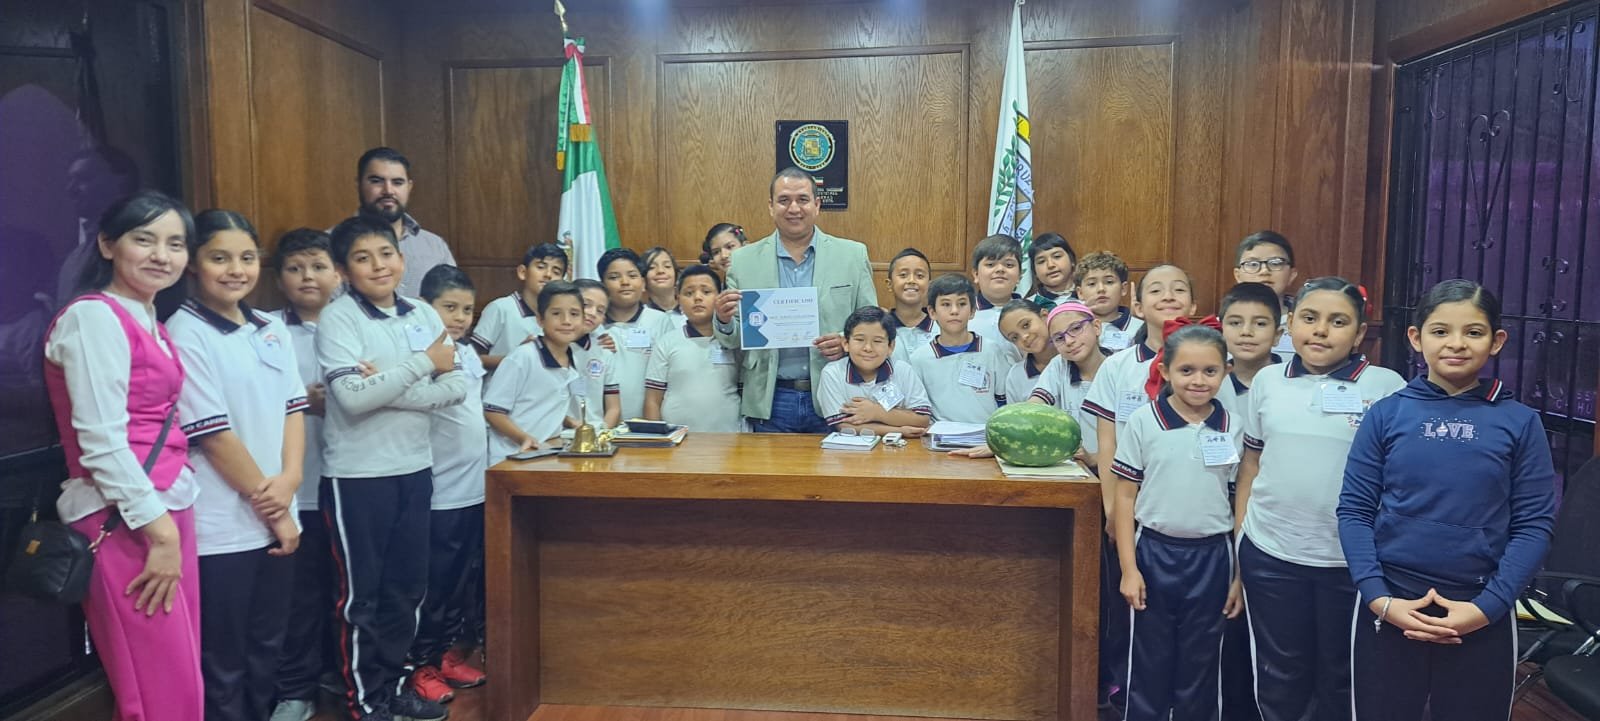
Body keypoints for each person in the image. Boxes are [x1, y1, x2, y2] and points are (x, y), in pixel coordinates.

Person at [1338, 280, 1556, 721]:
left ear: (1496, 342)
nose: (1456, 343)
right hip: (1392, 601)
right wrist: (1380, 598)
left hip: (1481, 606)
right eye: (1440, 331)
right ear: (1416, 338)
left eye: (1473, 332)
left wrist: (1487, 608)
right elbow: (1355, 510)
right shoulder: (1387, 414)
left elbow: (1534, 525)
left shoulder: (1520, 422)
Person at [43, 190, 203, 719]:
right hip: (125, 518)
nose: (162, 254)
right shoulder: (93, 318)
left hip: (164, 506)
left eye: (175, 244)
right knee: (155, 685)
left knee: (177, 675)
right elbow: (102, 442)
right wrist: (158, 532)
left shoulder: (148, 318)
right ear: (108, 245)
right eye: (145, 239)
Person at [1233, 277, 1405, 721]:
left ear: (1360, 333)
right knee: (1279, 674)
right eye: (1309, 318)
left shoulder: (1386, 387)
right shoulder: (1269, 380)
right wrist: (1240, 537)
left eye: (1338, 321)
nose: (1321, 331)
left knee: (1343, 675)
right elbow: (1252, 460)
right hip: (1270, 553)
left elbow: (1400, 478)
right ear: (1290, 324)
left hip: (1351, 564)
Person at [317, 215, 467, 721]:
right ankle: (365, 703)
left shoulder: (423, 312)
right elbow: (352, 401)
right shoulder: (339, 319)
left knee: (406, 591)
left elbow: (459, 386)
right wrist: (422, 365)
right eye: (362, 258)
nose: (378, 265)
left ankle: (393, 685)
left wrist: (387, 387)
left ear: (402, 259)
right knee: (362, 598)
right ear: (342, 269)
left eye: (386, 254)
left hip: (414, 469)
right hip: (357, 478)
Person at [167, 209, 307, 721]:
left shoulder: (271, 327)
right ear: (192, 265)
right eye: (219, 258)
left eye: (247, 258)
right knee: (222, 660)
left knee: (266, 647)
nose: (235, 270)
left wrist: (290, 480)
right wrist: (277, 512)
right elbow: (215, 437)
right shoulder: (182, 333)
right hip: (220, 526)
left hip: (276, 510)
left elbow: (294, 410)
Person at [1080, 263, 1196, 712]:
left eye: (1179, 288)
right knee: (1137, 622)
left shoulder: (1208, 362)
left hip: (1194, 519)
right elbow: (1106, 445)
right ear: (1137, 302)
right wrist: (1112, 511)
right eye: (1156, 290)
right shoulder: (1118, 367)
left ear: (1193, 303)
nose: (1168, 296)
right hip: (1135, 517)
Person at [1112, 322, 1242, 721]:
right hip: (1153, 552)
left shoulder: (1234, 427)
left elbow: (1240, 501)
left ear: (1226, 371)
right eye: (1186, 371)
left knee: (1202, 661)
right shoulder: (1144, 422)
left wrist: (1238, 576)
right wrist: (1128, 570)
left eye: (1210, 371)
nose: (1198, 381)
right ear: (1165, 371)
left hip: (1213, 557)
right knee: (1149, 658)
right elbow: (1124, 495)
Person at [713, 167, 878, 433]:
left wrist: (845, 342)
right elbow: (732, 340)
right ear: (770, 206)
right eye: (784, 200)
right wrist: (723, 319)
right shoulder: (743, 262)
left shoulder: (852, 255)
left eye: (802, 199)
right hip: (772, 399)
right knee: (770, 475)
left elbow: (872, 324)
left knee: (839, 474)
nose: (793, 208)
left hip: (837, 393)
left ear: (817, 205)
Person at [268, 228, 343, 721]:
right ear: (279, 278)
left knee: (344, 593)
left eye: (318, 266)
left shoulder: (353, 323)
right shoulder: (266, 329)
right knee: (297, 596)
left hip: (348, 485)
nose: (308, 277)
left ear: (338, 273)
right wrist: (300, 404)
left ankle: (341, 678)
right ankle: (294, 688)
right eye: (296, 268)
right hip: (293, 488)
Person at [409, 265, 490, 704]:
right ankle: (419, 664)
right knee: (432, 587)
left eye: (467, 310)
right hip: (439, 493)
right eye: (449, 308)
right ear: (424, 307)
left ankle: (443, 655)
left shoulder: (467, 354)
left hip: (472, 489)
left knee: (461, 582)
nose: (460, 318)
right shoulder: (421, 356)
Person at [1213, 281, 1283, 721]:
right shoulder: (1205, 379)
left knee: (1274, 633)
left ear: (1279, 333)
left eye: (1260, 324)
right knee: (1227, 626)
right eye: (1235, 322)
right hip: (1214, 518)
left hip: (1273, 521)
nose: (1247, 332)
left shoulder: (1289, 383)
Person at [484, 281, 589, 463]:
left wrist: (568, 421)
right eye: (556, 314)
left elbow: (537, 402)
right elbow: (492, 411)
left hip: (546, 452)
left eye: (574, 314)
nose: (566, 321)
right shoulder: (522, 357)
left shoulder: (573, 359)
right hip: (512, 456)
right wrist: (523, 438)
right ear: (540, 319)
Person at [643, 265, 742, 432]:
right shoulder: (667, 342)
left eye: (706, 292)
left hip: (729, 439)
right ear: (678, 298)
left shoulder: (735, 341)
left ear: (720, 296)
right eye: (689, 293)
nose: (697, 298)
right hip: (678, 440)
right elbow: (653, 400)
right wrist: (657, 441)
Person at [351, 147, 454, 298]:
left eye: (397, 182)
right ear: (358, 184)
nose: (388, 190)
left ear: (409, 187)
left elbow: (453, 302)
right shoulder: (331, 244)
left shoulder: (435, 247)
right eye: (376, 181)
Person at [816, 306, 933, 436]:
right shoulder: (832, 373)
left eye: (877, 341)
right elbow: (843, 425)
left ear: (891, 346)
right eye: (860, 340)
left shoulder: (903, 370)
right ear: (846, 343)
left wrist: (877, 412)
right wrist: (899, 430)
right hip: (851, 450)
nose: (868, 348)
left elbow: (922, 419)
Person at [908, 274, 1010, 424]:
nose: (954, 311)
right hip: (939, 438)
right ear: (932, 312)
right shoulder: (919, 358)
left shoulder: (991, 350)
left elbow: (1004, 401)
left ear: (973, 311)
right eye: (946, 304)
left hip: (984, 437)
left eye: (962, 304)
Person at [600, 247, 675, 422]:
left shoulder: (659, 320)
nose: (625, 282)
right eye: (614, 277)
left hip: (652, 421)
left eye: (632, 276)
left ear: (643, 283)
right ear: (602, 285)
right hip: (604, 424)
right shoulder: (591, 326)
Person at [469, 242, 567, 369]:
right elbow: (471, 359)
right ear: (522, 272)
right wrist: (517, 357)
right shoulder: (501, 308)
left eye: (556, 271)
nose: (548, 274)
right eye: (541, 267)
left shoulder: (560, 317)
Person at [1232, 231, 1299, 357]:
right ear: (1238, 275)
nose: (1264, 271)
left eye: (1275, 263)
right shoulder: (1218, 326)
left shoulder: (1304, 325)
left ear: (1291, 274)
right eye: (1252, 264)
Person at [572, 278, 621, 428]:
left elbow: (614, 408)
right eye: (586, 305)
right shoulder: (546, 345)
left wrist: (600, 435)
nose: (592, 313)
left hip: (594, 436)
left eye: (600, 310)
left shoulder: (604, 351)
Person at [967, 234, 1024, 362]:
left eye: (1009, 265)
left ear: (1020, 275)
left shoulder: (1031, 314)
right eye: (991, 264)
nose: (1000, 269)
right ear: (976, 274)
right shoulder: (963, 314)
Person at [1074, 251, 1143, 352]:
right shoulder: (1074, 329)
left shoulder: (1140, 329)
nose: (1101, 289)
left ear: (1123, 289)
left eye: (1109, 282)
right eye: (1092, 284)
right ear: (1080, 293)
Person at [997, 299, 1056, 405]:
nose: (1024, 337)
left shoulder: (1074, 356)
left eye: (1026, 325)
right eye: (1015, 337)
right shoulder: (1016, 376)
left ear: (1044, 315)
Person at [884, 247, 934, 363]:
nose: (911, 280)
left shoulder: (942, 326)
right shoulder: (880, 327)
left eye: (920, 276)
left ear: (929, 285)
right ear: (889, 284)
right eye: (903, 275)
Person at [1026, 232, 1077, 308]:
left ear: (1072, 260)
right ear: (1035, 271)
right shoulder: (1028, 306)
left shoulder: (1090, 296)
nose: (1050, 265)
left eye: (1057, 256)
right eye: (1041, 261)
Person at [642, 246, 680, 313]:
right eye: (652, 267)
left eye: (667, 266)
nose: (660, 271)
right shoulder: (640, 316)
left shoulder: (690, 312)